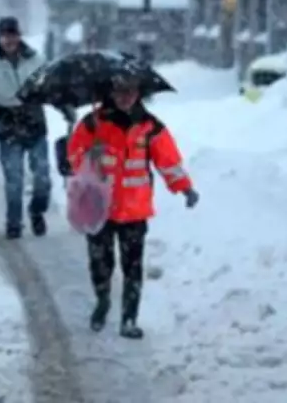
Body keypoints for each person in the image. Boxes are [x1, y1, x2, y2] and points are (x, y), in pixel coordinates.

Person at [67, 73, 199, 339]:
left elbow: (168, 162)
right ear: (111, 92)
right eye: (120, 91)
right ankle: (103, 299)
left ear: (139, 93)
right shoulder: (93, 123)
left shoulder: (150, 127)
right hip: (99, 208)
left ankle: (129, 318)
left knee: (133, 267)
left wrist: (184, 187)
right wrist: (89, 155)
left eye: (131, 91)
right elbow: (74, 153)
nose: (126, 96)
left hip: (135, 210)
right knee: (100, 263)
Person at [0, 16, 51, 239]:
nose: (9, 40)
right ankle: (14, 222)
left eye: (13, 35)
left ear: (19, 36)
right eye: (5, 36)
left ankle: (37, 211)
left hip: (34, 121)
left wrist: (64, 107)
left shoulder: (36, 60)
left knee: (42, 177)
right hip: (7, 125)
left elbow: (49, 87)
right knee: (14, 179)